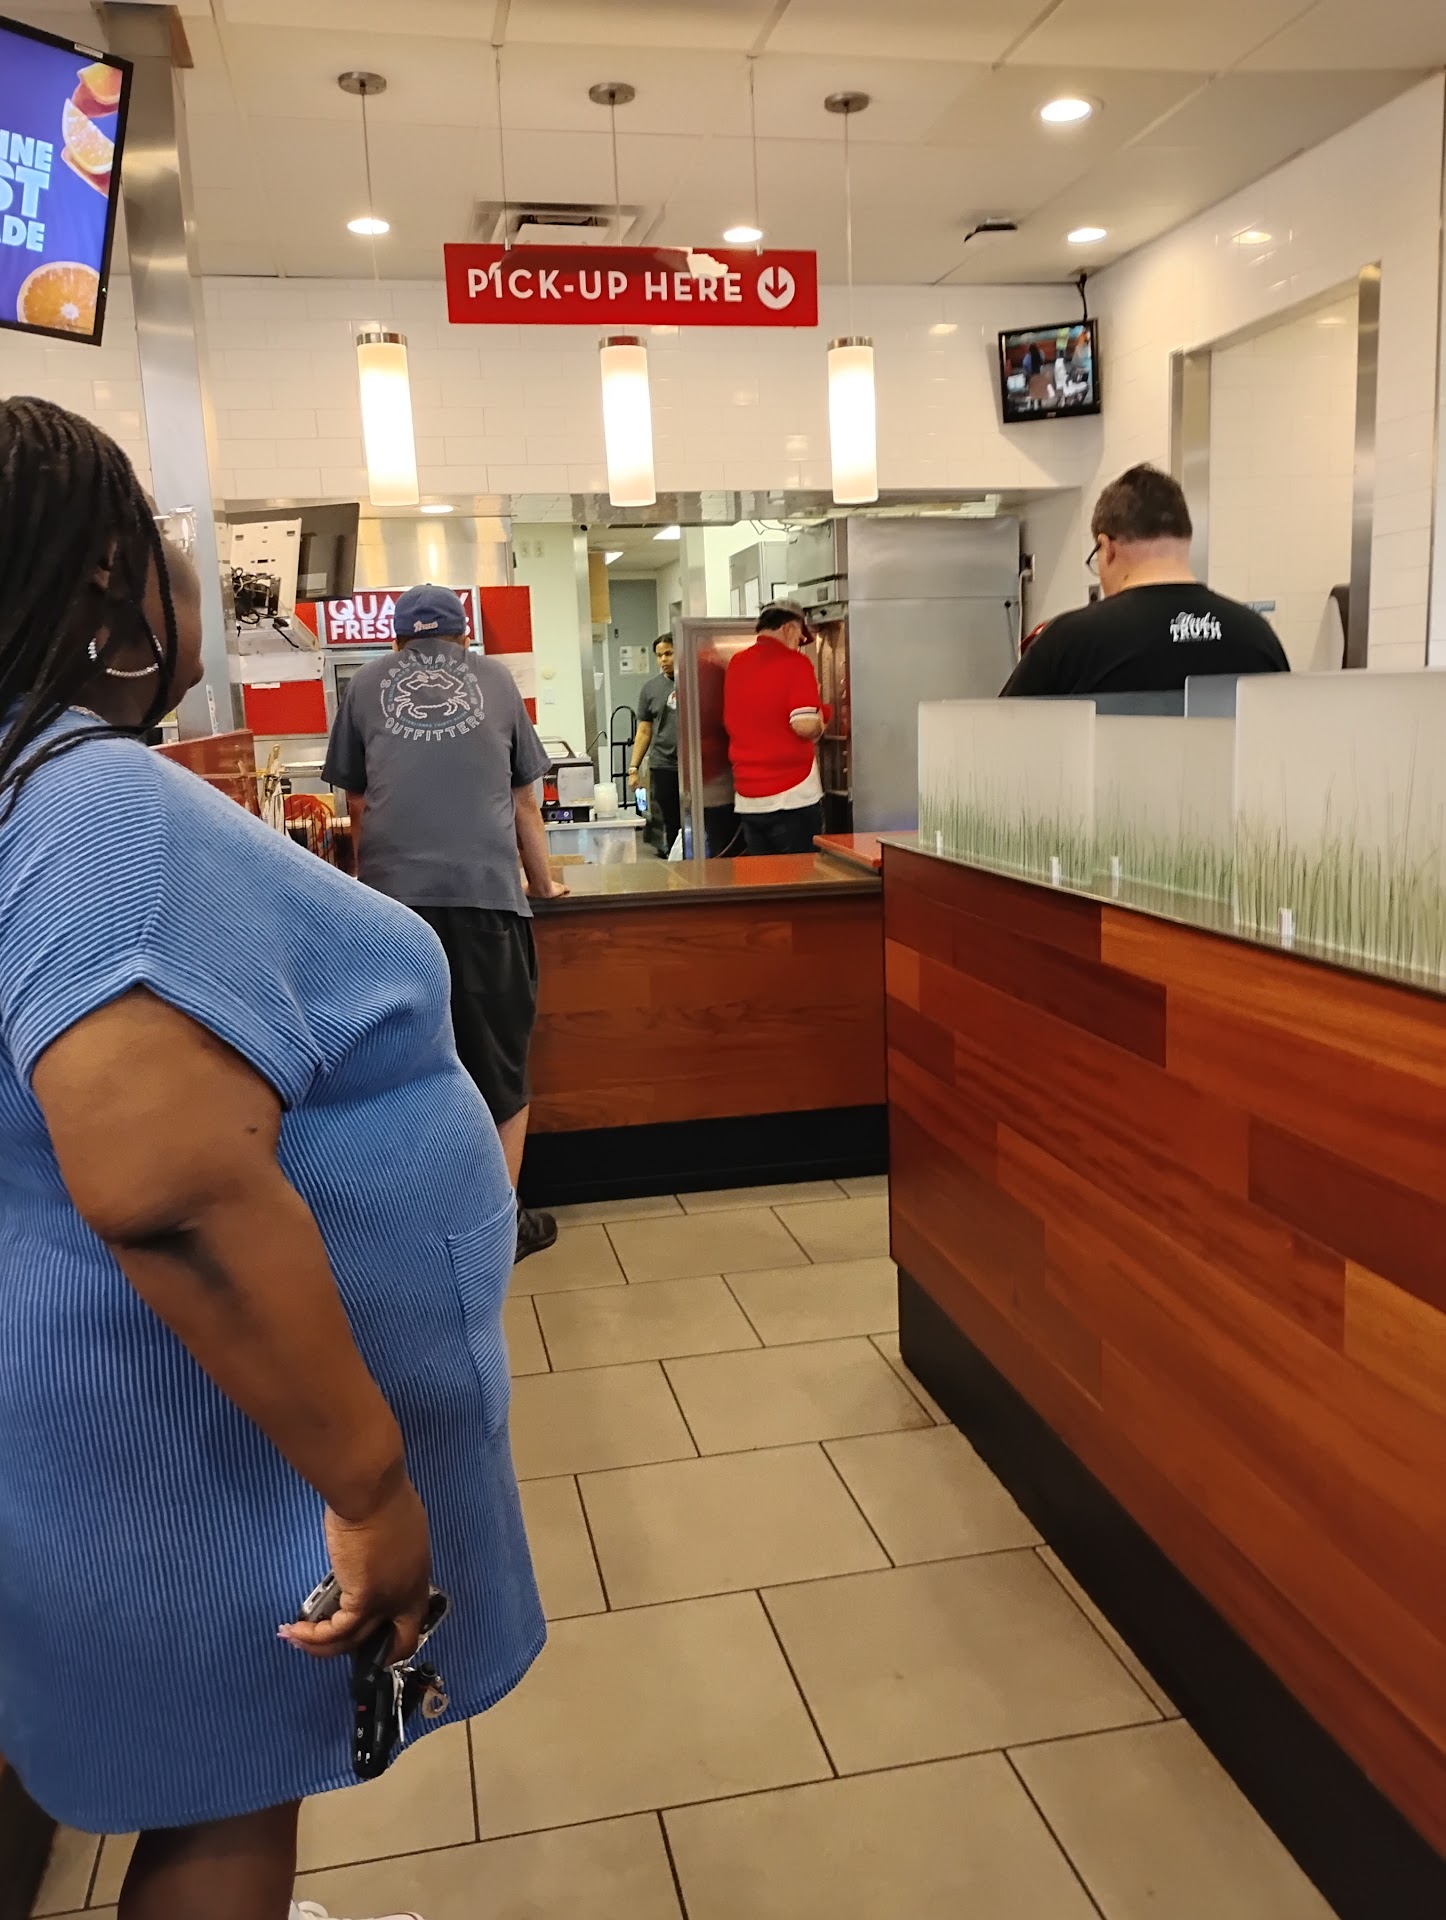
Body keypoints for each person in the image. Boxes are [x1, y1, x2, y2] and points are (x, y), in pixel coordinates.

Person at [0, 397, 543, 1920]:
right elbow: (169, 1191)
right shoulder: (90, 804)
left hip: (118, 1390)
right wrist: (368, 1489)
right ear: (107, 575)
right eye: (163, 545)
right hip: (187, 1427)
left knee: (205, 1773)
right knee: (230, 1785)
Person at [323, 585, 565, 1263]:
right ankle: (500, 1229)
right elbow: (524, 800)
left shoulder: (364, 684)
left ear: (395, 639)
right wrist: (544, 882)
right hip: (485, 900)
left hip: (394, 914)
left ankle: (417, 1227)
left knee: (405, 1072)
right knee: (501, 1071)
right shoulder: (498, 680)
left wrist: (374, 889)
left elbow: (357, 804)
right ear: (464, 637)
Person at [1001, 464, 1290, 696]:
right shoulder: (1257, 635)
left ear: (1107, 548)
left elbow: (1005, 736)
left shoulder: (1068, 641)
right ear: (1185, 537)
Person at [723, 601, 830, 855]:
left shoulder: (737, 663)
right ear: (789, 629)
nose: (799, 644)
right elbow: (804, 725)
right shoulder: (796, 663)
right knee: (800, 875)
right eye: (800, 637)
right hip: (792, 795)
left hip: (748, 797)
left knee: (763, 875)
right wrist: (822, 718)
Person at [628, 633, 679, 855]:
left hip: (697, 765)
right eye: (659, 656)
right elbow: (644, 731)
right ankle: (676, 860)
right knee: (671, 818)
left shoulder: (697, 681)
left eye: (668, 653)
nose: (663, 660)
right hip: (664, 764)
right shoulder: (650, 689)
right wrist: (633, 768)